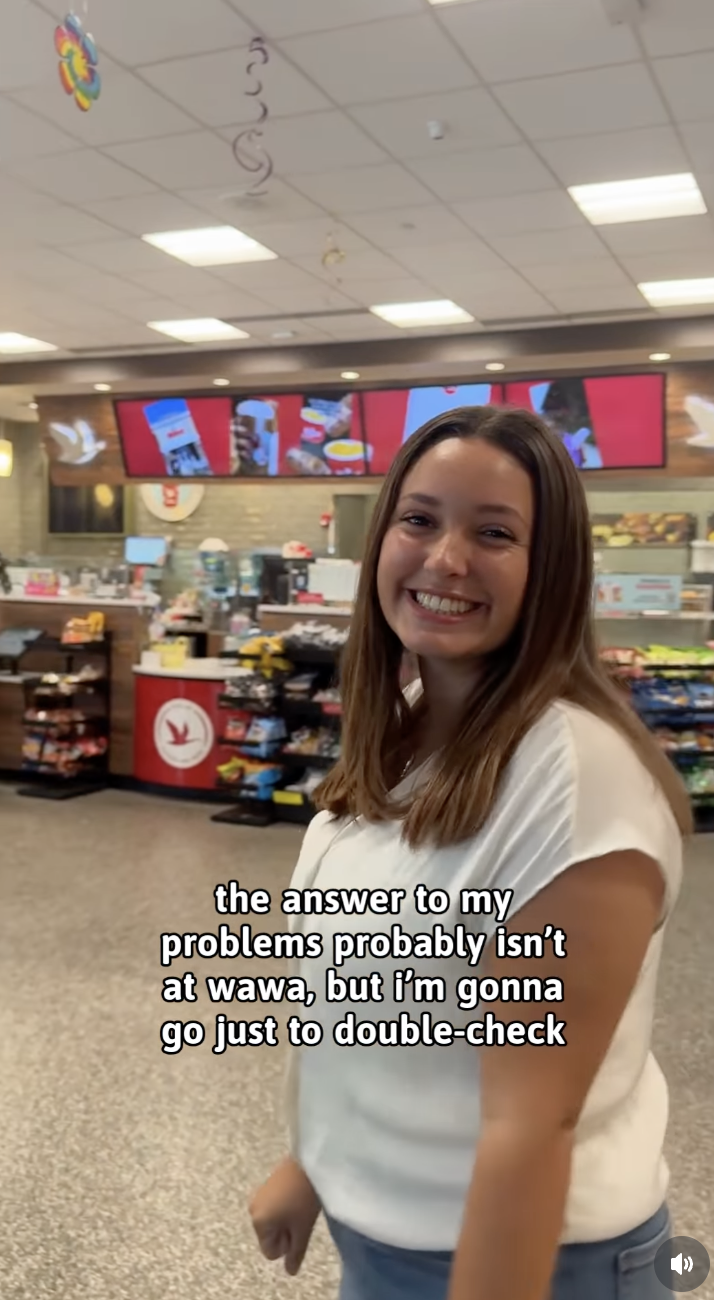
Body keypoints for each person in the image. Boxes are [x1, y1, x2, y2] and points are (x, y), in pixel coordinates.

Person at [250, 405, 690, 1300]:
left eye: (494, 533)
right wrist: (315, 1162)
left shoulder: (575, 776)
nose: (445, 558)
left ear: (552, 569)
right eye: (419, 519)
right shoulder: (409, 736)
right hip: (390, 1239)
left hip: (528, 1264)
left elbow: (533, 1124)